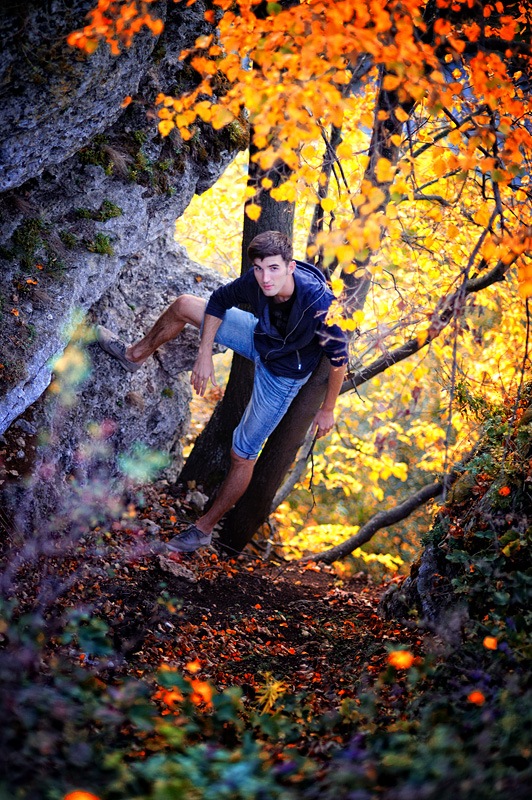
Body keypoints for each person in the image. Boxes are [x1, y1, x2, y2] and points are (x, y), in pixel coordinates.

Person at [97, 230, 348, 552]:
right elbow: (218, 301)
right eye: (259, 268)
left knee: (242, 454)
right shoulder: (257, 281)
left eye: (273, 268)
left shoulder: (319, 304)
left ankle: (203, 529)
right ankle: (134, 356)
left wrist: (327, 409)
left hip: (282, 376)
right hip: (259, 338)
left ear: (291, 267)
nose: (265, 278)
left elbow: (339, 360)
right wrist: (204, 354)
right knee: (185, 305)